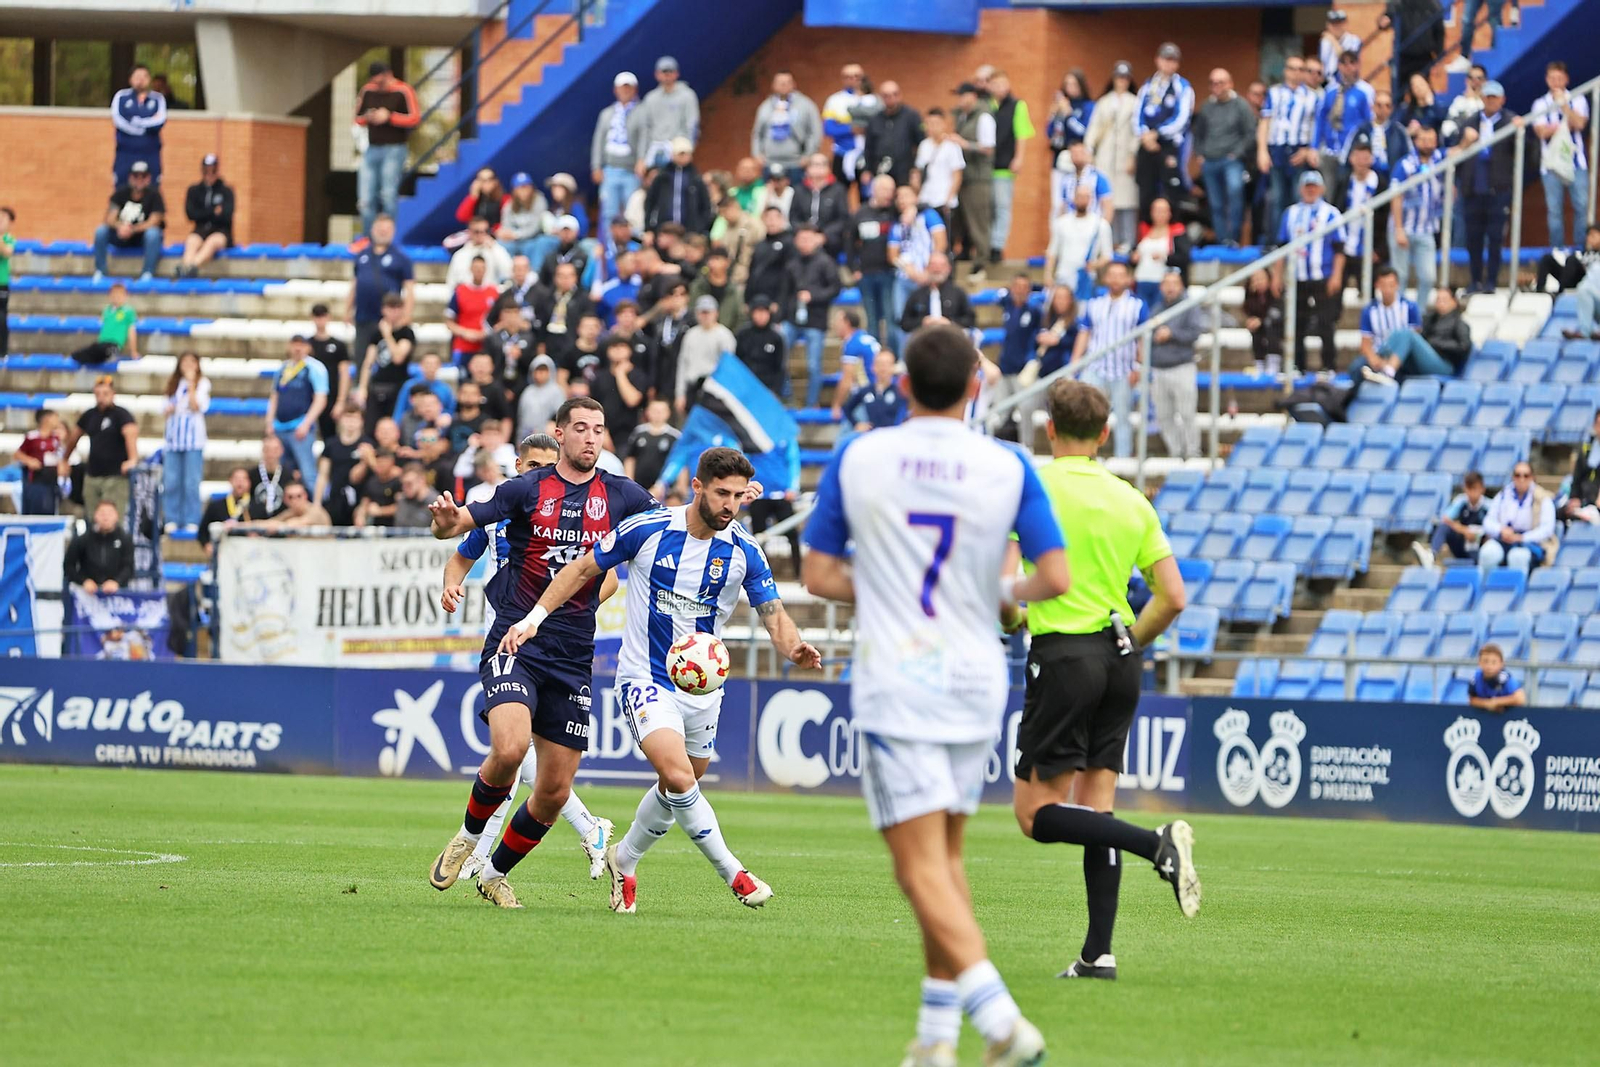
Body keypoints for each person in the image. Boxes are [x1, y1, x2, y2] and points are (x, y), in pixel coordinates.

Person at [800, 323, 1068, 1067]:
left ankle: (1004, 1021)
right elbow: (1054, 579)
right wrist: (991, 591)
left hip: (900, 681)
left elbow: (819, 574)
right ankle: (935, 1039)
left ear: (906, 385)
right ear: (977, 384)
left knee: (915, 866)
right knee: (944, 862)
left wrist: (885, 588)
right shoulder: (1007, 463)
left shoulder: (862, 454)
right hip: (977, 680)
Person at [508, 446, 816, 914]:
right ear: (698, 488)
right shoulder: (649, 529)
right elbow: (582, 568)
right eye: (721, 494)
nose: (730, 505)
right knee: (675, 775)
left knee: (681, 787)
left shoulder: (745, 553)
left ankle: (623, 860)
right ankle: (734, 872)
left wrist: (794, 648)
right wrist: (535, 617)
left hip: (703, 688)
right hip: (645, 678)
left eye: (737, 495)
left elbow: (774, 617)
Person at [423, 398, 659, 908]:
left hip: (573, 653)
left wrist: (725, 510)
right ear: (561, 435)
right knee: (509, 749)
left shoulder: (622, 495)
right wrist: (444, 521)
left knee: (552, 792)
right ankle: (466, 836)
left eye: (598, 429)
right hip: (515, 639)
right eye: (580, 428)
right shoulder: (525, 489)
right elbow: (457, 527)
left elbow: (677, 527)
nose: (591, 438)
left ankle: (494, 872)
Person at [1000, 377, 1195, 983]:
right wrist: (1130, 641)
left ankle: (1156, 843)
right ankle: (1098, 954)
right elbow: (1173, 598)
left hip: (1064, 655)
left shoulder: (1030, 490)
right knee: (1097, 806)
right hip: (1120, 658)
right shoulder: (1131, 499)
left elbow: (1006, 596)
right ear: (1105, 433)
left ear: (1048, 428)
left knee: (1035, 815)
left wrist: (1020, 617)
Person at [444, 433, 616, 883]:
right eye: (533, 464)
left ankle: (486, 853)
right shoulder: (501, 515)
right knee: (512, 752)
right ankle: (492, 849)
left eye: (548, 463)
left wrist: (571, 602)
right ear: (519, 466)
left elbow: (609, 575)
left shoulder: (574, 516)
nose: (541, 471)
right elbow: (459, 554)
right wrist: (451, 584)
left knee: (523, 760)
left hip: (558, 642)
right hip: (506, 637)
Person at [1072, 260, 1148, 459]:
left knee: (1123, 416)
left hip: (1123, 368)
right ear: (1105, 278)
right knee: (1087, 414)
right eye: (1111, 275)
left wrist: (1138, 366)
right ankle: (1086, 454)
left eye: (1120, 275)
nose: (1115, 279)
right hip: (1096, 366)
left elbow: (1142, 338)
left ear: (1128, 279)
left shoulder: (1137, 305)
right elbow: (1084, 333)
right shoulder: (1094, 304)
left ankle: (1123, 457)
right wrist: (1075, 363)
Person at [1272, 171, 1346, 372]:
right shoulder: (1291, 213)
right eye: (1307, 186)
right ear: (1301, 188)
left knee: (1325, 323)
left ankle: (1328, 365)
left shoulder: (1331, 213)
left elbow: (1340, 249)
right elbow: (1282, 247)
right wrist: (1277, 276)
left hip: (1323, 276)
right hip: (1298, 277)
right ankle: (1297, 364)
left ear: (1322, 189)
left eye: (1314, 186)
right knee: (1297, 323)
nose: (1311, 189)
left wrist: (1336, 276)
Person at [1457, 81, 1523, 295]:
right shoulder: (1470, 122)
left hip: (1498, 190)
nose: (1491, 101)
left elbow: (1525, 154)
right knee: (1473, 239)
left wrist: (1520, 132)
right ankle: (1475, 280)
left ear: (1502, 100)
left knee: (1495, 237)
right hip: (1473, 190)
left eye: (1495, 97)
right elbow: (1455, 154)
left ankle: (1491, 281)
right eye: (1488, 97)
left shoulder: (1510, 122)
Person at [1359, 282, 1472, 386]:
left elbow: (1464, 347)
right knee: (1399, 333)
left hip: (1444, 364)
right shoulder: (1430, 319)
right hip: (1426, 359)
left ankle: (1388, 372)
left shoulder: (1459, 323)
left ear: (1454, 301)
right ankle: (1381, 364)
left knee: (1408, 335)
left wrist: (1436, 344)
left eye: (1444, 299)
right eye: (1438, 299)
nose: (1440, 303)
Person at [354, 62, 420, 237]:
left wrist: (389, 117)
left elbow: (414, 118)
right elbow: (357, 118)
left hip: (394, 148)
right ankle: (368, 237)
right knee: (365, 198)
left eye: (381, 81)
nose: (379, 86)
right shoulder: (368, 90)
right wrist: (369, 117)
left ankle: (389, 237)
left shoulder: (403, 90)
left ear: (388, 75)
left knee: (388, 194)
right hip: (372, 147)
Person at [59, 375, 138, 518]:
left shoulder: (121, 415)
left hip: (115, 475)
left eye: (105, 393)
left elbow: (130, 433)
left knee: (112, 518)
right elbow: (74, 437)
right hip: (93, 474)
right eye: (98, 394)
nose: (102, 398)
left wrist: (133, 459)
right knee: (92, 517)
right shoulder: (90, 415)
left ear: (113, 394)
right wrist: (65, 459)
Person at [1531, 61, 1590, 250]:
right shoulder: (1540, 103)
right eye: (1552, 78)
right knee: (1554, 211)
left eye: (1559, 78)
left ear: (1566, 79)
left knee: (1581, 206)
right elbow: (1540, 131)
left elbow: (1580, 124)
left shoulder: (1578, 99)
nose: (1556, 82)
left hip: (1576, 163)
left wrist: (1564, 107)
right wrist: (1561, 125)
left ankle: (1581, 250)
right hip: (1550, 165)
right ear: (1547, 80)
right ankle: (1558, 250)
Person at [1194, 68, 1256, 247]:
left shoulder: (1241, 105)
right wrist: (1199, 154)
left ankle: (1233, 238)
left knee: (1235, 193)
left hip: (1231, 160)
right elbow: (1198, 133)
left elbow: (1250, 133)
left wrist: (1237, 153)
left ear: (1230, 83)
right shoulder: (1207, 107)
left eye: (1220, 82)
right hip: (1210, 160)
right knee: (1215, 203)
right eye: (1213, 83)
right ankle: (1222, 240)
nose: (1216, 87)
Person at [1134, 44, 1195, 220]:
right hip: (1146, 144)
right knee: (1145, 190)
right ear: (1158, 60)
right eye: (1166, 59)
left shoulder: (1182, 86)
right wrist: (1145, 134)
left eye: (1173, 60)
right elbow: (1137, 114)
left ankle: (1171, 237)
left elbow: (1182, 118)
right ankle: (1146, 234)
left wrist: (1157, 134)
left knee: (1171, 190)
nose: (1169, 64)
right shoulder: (1147, 86)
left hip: (1169, 146)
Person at [1149, 270, 1204, 460]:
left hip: (1182, 366)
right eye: (1167, 283)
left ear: (1181, 285)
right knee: (1163, 415)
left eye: (1175, 283)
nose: (1171, 287)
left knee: (1187, 413)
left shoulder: (1189, 307)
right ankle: (1176, 451)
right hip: (1159, 368)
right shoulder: (1156, 308)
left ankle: (1192, 452)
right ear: (1161, 287)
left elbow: (1195, 332)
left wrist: (1172, 333)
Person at [888, 185, 949, 353]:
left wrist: (929, 271)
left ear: (916, 197)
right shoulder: (897, 224)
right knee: (901, 318)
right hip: (905, 278)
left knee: (929, 319)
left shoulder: (928, 215)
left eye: (906, 195)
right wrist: (909, 270)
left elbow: (941, 242)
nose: (901, 200)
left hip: (928, 278)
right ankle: (904, 358)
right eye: (898, 197)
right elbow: (893, 255)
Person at [1086, 61, 1140, 252]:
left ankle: (1127, 240)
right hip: (1106, 156)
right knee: (1109, 200)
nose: (1122, 81)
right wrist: (1089, 150)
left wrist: (1133, 155)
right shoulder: (1104, 102)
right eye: (1119, 77)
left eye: (1125, 78)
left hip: (1125, 157)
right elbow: (1094, 127)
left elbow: (1138, 131)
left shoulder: (1135, 102)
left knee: (1127, 201)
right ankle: (1111, 240)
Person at [787, 225, 841, 408]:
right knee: (778, 356)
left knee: (813, 365)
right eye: (801, 239)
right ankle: (787, 398)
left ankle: (812, 402)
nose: (804, 243)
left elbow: (835, 289)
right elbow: (783, 292)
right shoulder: (792, 263)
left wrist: (814, 295)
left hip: (816, 320)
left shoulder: (826, 262)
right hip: (793, 319)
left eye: (808, 239)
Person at [345, 215, 414, 357]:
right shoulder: (362, 255)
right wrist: (347, 310)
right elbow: (355, 285)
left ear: (393, 231)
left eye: (387, 229)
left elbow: (410, 289)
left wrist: (406, 315)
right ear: (372, 230)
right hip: (363, 317)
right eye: (380, 229)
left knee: (383, 359)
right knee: (362, 357)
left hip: (388, 319)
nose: (383, 232)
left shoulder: (401, 258)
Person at [1391, 123, 1445, 299]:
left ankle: (1417, 318)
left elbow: (1458, 151)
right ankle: (1399, 318)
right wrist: (1399, 229)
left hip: (1426, 228)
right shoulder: (1405, 165)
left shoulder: (1439, 159)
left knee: (1428, 277)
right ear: (1415, 141)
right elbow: (1396, 196)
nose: (1427, 144)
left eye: (1431, 140)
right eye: (1423, 139)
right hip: (1403, 227)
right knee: (1401, 277)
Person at [263, 335, 327, 482]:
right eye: (294, 344)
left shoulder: (314, 368)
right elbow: (275, 396)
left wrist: (306, 424)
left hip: (300, 428)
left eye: (301, 345)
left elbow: (320, 398)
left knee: (307, 472)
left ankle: (316, 502)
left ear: (308, 347)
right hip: (280, 427)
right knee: (282, 473)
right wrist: (269, 422)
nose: (297, 348)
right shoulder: (283, 368)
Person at [1479, 461, 1558, 579]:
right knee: (1488, 553)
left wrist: (1522, 537)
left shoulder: (1543, 498)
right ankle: (1486, 590)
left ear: (1532, 477)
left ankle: (1516, 593)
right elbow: (1488, 521)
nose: (1521, 479)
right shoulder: (1503, 494)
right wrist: (1501, 530)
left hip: (1530, 541)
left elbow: (1547, 529)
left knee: (1517, 557)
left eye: (1526, 475)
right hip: (1504, 538)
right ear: (1513, 477)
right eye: (1518, 475)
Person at [988, 70, 1035, 264]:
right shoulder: (987, 106)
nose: (999, 88)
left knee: (1002, 206)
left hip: (1004, 166)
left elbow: (1022, 133)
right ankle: (985, 244)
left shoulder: (1017, 105)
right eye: (995, 84)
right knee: (987, 208)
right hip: (985, 166)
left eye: (1002, 83)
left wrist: (1019, 158)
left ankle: (997, 245)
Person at [353, 293, 416, 435]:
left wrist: (388, 335)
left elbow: (398, 357)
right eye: (390, 308)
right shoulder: (376, 333)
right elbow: (368, 362)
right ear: (383, 310)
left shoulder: (406, 333)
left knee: (394, 427)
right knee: (370, 427)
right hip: (377, 384)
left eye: (397, 308)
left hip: (398, 385)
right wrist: (362, 387)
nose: (393, 312)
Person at [950, 83, 996, 278]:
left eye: (963, 95)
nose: (960, 99)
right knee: (963, 220)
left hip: (979, 178)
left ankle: (982, 262)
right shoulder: (963, 116)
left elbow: (988, 148)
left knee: (978, 220)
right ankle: (965, 253)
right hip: (965, 176)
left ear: (973, 96)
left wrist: (964, 144)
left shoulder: (984, 117)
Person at [161, 351, 210, 532]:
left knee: (191, 482)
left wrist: (191, 384)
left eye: (192, 362)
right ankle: (172, 517)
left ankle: (192, 518)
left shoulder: (202, 384)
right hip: (173, 440)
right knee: (171, 481)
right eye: (185, 362)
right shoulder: (172, 384)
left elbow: (197, 406)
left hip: (193, 441)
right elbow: (164, 409)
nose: (188, 365)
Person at [92, 162, 165, 282]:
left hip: (141, 237)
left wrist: (132, 229)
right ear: (130, 177)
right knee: (101, 231)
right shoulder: (121, 193)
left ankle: (147, 273)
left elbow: (155, 220)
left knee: (153, 234)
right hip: (120, 234)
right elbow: (109, 218)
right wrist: (121, 227)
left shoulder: (155, 195)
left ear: (149, 178)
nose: (139, 180)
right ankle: (100, 271)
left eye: (143, 176)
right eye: (136, 176)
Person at [1314, 50, 1374, 195]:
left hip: (1350, 153)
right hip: (1329, 151)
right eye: (1343, 63)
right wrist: (1314, 147)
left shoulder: (1364, 91)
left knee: (1345, 193)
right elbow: (1321, 120)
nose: (1348, 67)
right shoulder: (1330, 91)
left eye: (1352, 62)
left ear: (1358, 65)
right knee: (1328, 193)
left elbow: (1369, 123)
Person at [848, 174, 898, 344]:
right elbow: (849, 243)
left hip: (889, 273)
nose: (888, 194)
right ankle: (874, 360)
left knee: (891, 318)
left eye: (891, 190)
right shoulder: (860, 213)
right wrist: (853, 269)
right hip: (867, 273)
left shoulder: (894, 212)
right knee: (872, 320)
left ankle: (894, 357)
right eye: (885, 189)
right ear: (874, 190)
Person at [1047, 184, 1114, 303]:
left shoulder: (1100, 224)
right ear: (1073, 198)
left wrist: (1094, 265)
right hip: (1063, 275)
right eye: (1079, 196)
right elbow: (1052, 252)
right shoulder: (1061, 223)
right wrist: (1048, 275)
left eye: (1086, 196)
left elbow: (1107, 255)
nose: (1082, 200)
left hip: (1085, 278)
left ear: (1091, 199)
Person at [752, 71, 821, 185]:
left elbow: (815, 132)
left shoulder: (806, 105)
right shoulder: (765, 106)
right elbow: (757, 133)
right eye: (780, 82)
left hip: (796, 163)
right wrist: (757, 154)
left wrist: (808, 155)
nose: (784, 85)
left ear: (794, 84)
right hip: (770, 162)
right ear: (773, 85)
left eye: (787, 82)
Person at [1414, 470, 1490, 568]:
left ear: (1482, 489)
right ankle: (1431, 555)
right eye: (1469, 488)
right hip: (1462, 546)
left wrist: (1477, 536)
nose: (1472, 493)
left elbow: (1495, 527)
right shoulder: (1461, 501)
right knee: (1444, 527)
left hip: (1481, 547)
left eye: (1475, 488)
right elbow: (1445, 519)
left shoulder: (1489, 506)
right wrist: (1464, 531)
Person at [637, 56, 700, 172]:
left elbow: (692, 125)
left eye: (670, 72)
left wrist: (687, 150)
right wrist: (641, 158)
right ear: (657, 74)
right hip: (655, 151)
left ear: (676, 74)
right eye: (663, 72)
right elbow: (645, 129)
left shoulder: (687, 95)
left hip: (677, 150)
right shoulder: (650, 98)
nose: (667, 75)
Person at [677, 295, 735, 416]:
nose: (705, 316)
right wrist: (680, 394)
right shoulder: (690, 334)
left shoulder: (724, 335)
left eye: (708, 312)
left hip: (713, 389)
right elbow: (683, 364)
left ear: (716, 313)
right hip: (692, 386)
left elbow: (728, 367)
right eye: (702, 312)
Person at [177, 154, 233, 278]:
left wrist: (203, 213)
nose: (209, 175)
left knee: (212, 242)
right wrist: (213, 211)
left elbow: (226, 215)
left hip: (221, 231)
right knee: (192, 241)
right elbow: (191, 214)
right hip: (201, 230)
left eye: (212, 171)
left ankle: (193, 267)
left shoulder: (226, 191)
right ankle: (185, 267)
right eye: (206, 171)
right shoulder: (194, 190)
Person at [110, 64, 166, 187]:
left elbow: (159, 121)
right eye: (137, 76)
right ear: (130, 79)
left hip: (150, 152)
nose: (140, 80)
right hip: (126, 152)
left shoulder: (158, 99)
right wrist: (144, 125)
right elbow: (118, 120)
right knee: (121, 189)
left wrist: (136, 121)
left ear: (149, 79)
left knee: (152, 189)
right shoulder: (121, 96)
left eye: (144, 76)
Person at [862, 81, 924, 190]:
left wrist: (916, 168)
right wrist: (867, 169)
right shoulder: (875, 120)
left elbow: (921, 143)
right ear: (881, 97)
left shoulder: (912, 116)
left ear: (900, 95)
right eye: (886, 95)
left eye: (894, 94)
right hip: (882, 170)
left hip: (905, 170)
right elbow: (869, 147)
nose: (891, 98)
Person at [645, 137, 714, 235]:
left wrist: (699, 228)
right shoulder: (662, 177)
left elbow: (705, 206)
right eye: (680, 154)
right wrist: (649, 228)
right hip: (663, 230)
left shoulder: (696, 179)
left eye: (686, 154)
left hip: (689, 231)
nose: (684, 157)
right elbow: (650, 203)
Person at [912, 108, 965, 233]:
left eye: (935, 123)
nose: (932, 127)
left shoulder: (952, 146)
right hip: (926, 197)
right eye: (928, 124)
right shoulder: (924, 145)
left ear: (943, 124)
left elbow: (957, 175)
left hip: (943, 199)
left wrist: (949, 199)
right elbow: (919, 170)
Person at [65, 501, 134, 595]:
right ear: (95, 516)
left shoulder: (125, 539)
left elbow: (129, 567)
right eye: (102, 513)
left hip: (118, 594)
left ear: (117, 516)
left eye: (110, 513)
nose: (106, 517)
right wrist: (84, 581)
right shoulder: (83, 539)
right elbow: (68, 566)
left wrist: (117, 582)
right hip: (86, 594)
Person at [899, 252, 975, 336]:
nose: (937, 269)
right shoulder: (916, 295)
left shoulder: (958, 293)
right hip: (923, 340)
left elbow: (970, 320)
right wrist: (922, 322)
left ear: (949, 269)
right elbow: (905, 323)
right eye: (933, 265)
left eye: (942, 265)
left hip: (952, 340)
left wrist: (949, 323)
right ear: (926, 268)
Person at [591, 336, 650, 443]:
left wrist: (620, 373)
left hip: (630, 432)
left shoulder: (638, 375)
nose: (617, 350)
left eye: (622, 346)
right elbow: (594, 405)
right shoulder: (600, 377)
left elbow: (632, 401)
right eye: (613, 347)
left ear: (630, 351)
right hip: (604, 431)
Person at [789, 152, 850, 255]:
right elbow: (793, 217)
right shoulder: (799, 190)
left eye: (821, 164)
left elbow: (842, 219)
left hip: (828, 238)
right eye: (814, 164)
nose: (817, 168)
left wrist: (824, 236)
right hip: (803, 236)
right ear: (807, 168)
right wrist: (805, 234)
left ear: (828, 168)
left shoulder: (838, 190)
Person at [307, 303, 351, 442]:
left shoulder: (338, 345)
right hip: (311, 396)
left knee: (331, 436)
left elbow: (344, 373)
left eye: (323, 316)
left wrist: (341, 401)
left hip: (332, 396)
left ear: (328, 317)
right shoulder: (307, 345)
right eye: (317, 316)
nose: (320, 320)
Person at [1131, 197, 1187, 304]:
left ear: (1169, 213)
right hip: (1142, 278)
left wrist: (1164, 257)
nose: (1159, 214)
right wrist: (1134, 257)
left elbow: (1184, 257)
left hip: (1163, 281)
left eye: (1163, 211)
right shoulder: (1144, 230)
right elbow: (1134, 251)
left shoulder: (1178, 231)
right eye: (1156, 210)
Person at [838, 346, 906, 432]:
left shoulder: (900, 391)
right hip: (871, 437)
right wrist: (856, 424)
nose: (883, 368)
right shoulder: (866, 391)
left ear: (893, 367)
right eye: (880, 364)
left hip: (893, 438)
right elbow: (847, 408)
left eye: (887, 364)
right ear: (873, 367)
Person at [317, 409, 368, 524]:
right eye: (347, 418)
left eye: (355, 418)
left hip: (358, 499)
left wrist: (365, 460)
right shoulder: (331, 444)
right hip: (335, 498)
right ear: (340, 420)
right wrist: (317, 502)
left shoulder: (367, 444)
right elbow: (323, 475)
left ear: (362, 421)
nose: (351, 423)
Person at [822, 62, 870, 186]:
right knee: (839, 193)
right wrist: (851, 129)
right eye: (848, 77)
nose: (853, 80)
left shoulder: (871, 99)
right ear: (842, 79)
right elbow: (828, 129)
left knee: (867, 195)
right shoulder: (835, 100)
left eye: (857, 76)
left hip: (866, 154)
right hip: (842, 153)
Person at [446, 255, 500, 363]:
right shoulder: (460, 291)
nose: (479, 271)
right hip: (464, 345)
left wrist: (487, 333)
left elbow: (501, 320)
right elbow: (449, 321)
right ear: (470, 269)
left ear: (486, 270)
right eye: (476, 268)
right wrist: (465, 333)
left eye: (481, 268)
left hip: (486, 345)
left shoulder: (494, 292)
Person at [71, 281, 140, 365]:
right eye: (114, 295)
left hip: (114, 345)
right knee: (78, 355)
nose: (116, 297)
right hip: (102, 343)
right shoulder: (107, 310)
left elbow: (131, 331)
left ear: (125, 296)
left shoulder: (128, 311)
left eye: (119, 295)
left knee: (103, 351)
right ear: (110, 296)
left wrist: (133, 351)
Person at [623, 398, 680, 492]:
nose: (657, 414)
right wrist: (629, 481)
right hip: (638, 485)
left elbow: (676, 462)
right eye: (654, 411)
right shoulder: (638, 432)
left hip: (663, 488)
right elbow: (630, 458)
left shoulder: (674, 436)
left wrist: (664, 484)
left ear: (668, 413)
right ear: (647, 412)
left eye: (661, 411)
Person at [1051, 140, 1113, 223]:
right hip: (1071, 226)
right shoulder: (1066, 180)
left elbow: (1107, 205)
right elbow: (1062, 206)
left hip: (1093, 226)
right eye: (1074, 153)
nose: (1077, 157)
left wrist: (1103, 228)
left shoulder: (1098, 178)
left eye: (1080, 153)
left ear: (1087, 155)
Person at [17, 409, 65, 515]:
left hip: (51, 477)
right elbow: (18, 454)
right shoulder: (32, 437)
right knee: (36, 505)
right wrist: (30, 461)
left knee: (50, 506)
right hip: (36, 478)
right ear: (46, 419)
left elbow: (59, 455)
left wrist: (61, 466)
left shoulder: (55, 438)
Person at [446, 217, 513, 289]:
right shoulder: (460, 255)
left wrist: (494, 249)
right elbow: (451, 281)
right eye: (477, 232)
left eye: (485, 231)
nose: (481, 234)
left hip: (490, 296)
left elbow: (508, 273)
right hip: (467, 296)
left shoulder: (497, 250)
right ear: (470, 232)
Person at [686, 247, 744, 331]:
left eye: (717, 259)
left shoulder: (734, 290)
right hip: (700, 333)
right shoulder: (698, 286)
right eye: (711, 259)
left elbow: (739, 317)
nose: (713, 263)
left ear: (727, 262)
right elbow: (691, 310)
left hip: (727, 335)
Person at [199, 467, 253, 554]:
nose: (240, 482)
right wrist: (207, 546)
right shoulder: (216, 506)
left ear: (249, 483)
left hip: (249, 554)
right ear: (230, 481)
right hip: (222, 553)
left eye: (243, 479)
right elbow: (202, 531)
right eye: (236, 479)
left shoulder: (257, 507)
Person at [1560, 226, 1600, 339]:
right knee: (1584, 288)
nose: (1589, 239)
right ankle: (1585, 332)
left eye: (1593, 235)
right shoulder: (1587, 255)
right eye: (1588, 236)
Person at [1047, 70, 1095, 156]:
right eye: (1067, 84)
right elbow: (1050, 133)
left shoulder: (1088, 106)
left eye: (1073, 84)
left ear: (1081, 85)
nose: (1070, 87)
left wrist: (1069, 115)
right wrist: (1054, 115)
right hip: (1060, 154)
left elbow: (1084, 132)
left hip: (1078, 154)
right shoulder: (1063, 103)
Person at [1468, 644, 1527, 712]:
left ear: (1501, 664)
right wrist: (1487, 704)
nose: (1489, 666)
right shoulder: (1475, 679)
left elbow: (1520, 699)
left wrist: (1497, 702)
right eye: (1485, 661)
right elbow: (1472, 700)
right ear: (1479, 663)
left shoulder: (1505, 678)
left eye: (1494, 662)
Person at [353, 448, 401, 527]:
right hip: (375, 526)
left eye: (383, 462)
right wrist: (360, 515)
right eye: (378, 462)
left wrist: (381, 511)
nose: (381, 465)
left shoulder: (398, 481)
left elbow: (401, 507)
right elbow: (364, 502)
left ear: (391, 462)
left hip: (394, 526)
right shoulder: (372, 481)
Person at [259, 481, 332, 529]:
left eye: (299, 496)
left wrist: (275, 525)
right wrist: (250, 526)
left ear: (305, 496)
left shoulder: (315, 511)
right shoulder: (291, 512)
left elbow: (295, 524)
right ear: (285, 499)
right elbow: (271, 521)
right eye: (290, 497)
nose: (295, 500)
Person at [1319, 9, 1363, 88]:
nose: (1336, 27)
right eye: (1333, 24)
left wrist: (1333, 40)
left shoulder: (1354, 40)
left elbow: (1346, 59)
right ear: (1328, 25)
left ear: (1345, 24)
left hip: (1348, 82)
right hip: (1328, 82)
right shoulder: (1324, 42)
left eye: (1339, 24)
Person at [0, 204, 12, 357]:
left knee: (1, 317)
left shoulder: (9, 239)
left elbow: (6, 252)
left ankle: (3, 350)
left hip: (1, 284)